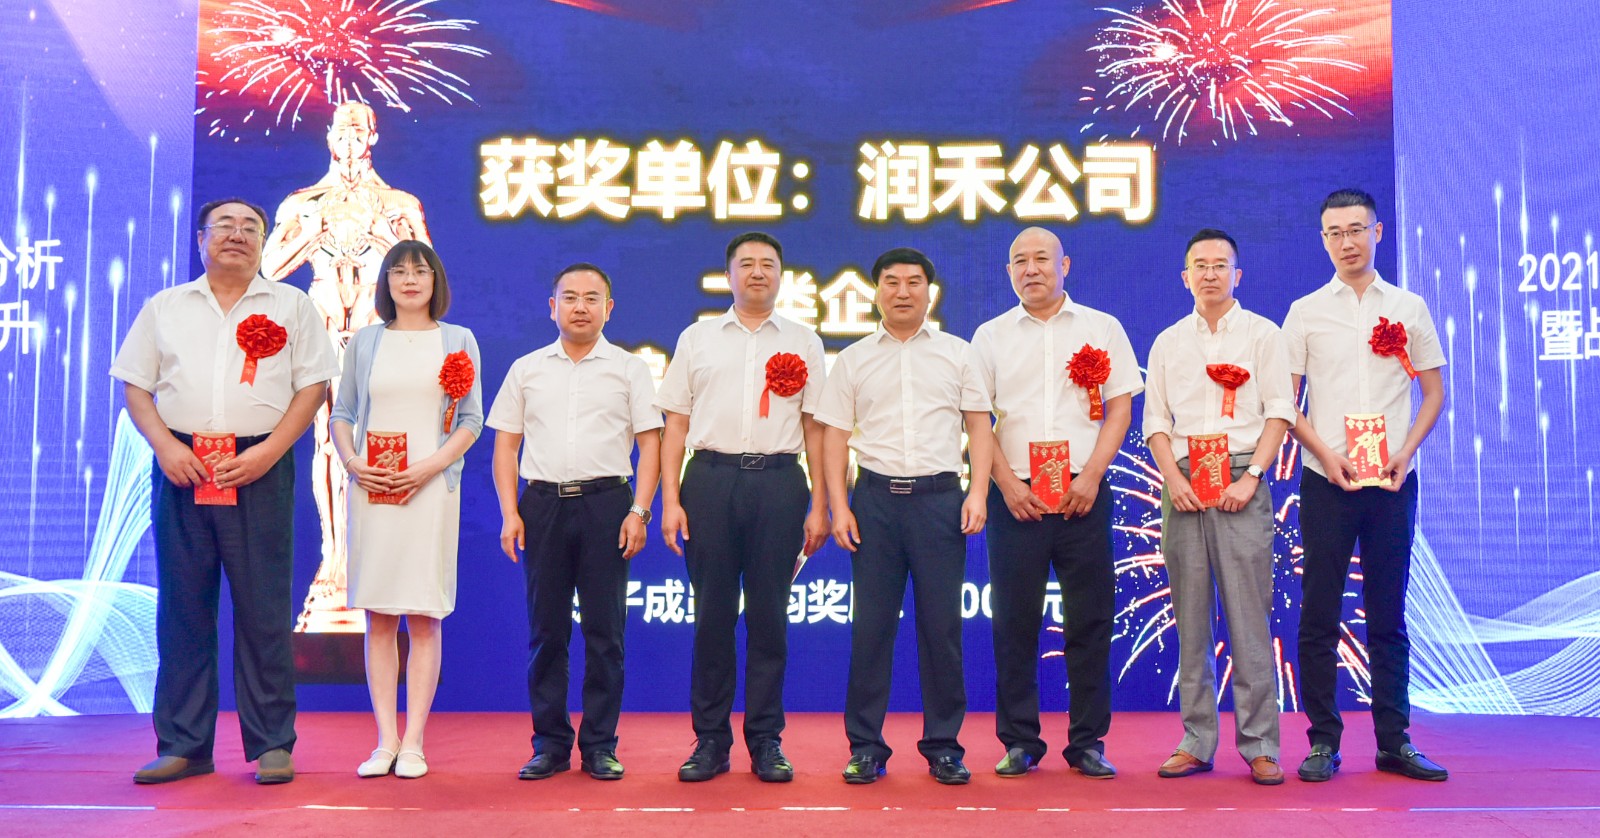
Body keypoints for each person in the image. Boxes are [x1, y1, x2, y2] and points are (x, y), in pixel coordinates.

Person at [112, 197, 337, 784]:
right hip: (183, 466)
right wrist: (165, 447)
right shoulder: (165, 307)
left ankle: (271, 743)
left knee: (264, 609)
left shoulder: (292, 305)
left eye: (250, 227)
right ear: (201, 239)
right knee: (183, 608)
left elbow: (313, 388)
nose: (237, 235)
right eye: (225, 226)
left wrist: (269, 452)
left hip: (259, 464)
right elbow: (135, 386)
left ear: (264, 241)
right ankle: (184, 745)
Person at [1284, 188, 1449, 783]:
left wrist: (1406, 451)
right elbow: (1284, 402)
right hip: (1327, 481)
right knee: (1319, 614)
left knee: (1388, 614)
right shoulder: (1305, 312)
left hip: (1393, 481)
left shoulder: (1408, 306)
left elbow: (1434, 392)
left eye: (1357, 229)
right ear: (1323, 240)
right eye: (1335, 232)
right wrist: (1325, 454)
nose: (1347, 242)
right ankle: (1322, 742)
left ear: (1377, 232)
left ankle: (1393, 741)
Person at [816, 247, 994, 786]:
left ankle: (944, 747)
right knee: (871, 629)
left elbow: (979, 427)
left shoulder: (958, 354)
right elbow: (834, 437)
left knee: (941, 630)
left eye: (913, 282)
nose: (902, 291)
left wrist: (977, 492)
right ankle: (866, 747)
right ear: (876, 292)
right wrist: (840, 506)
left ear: (929, 292)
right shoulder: (852, 360)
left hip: (940, 501)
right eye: (891, 282)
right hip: (874, 504)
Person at [656, 232, 829, 783]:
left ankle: (765, 741)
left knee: (769, 616)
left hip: (780, 484)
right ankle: (710, 740)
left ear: (781, 275)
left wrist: (820, 503)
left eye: (768, 264)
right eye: (746, 264)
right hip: (709, 481)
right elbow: (675, 425)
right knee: (712, 615)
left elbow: (816, 429)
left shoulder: (804, 340)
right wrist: (670, 500)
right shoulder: (698, 338)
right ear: (729, 274)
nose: (757, 272)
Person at [970, 226, 1143, 779]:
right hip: (1015, 495)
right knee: (1014, 622)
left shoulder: (1102, 328)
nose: (1031, 269)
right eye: (1019, 261)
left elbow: (1120, 409)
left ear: (1064, 265)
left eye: (1042, 258)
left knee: (1090, 619)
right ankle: (1020, 741)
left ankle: (1088, 741)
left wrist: (1092, 476)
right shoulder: (990, 336)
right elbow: (976, 420)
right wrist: (1006, 485)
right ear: (1008, 272)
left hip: (1082, 493)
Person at [262, 100, 432, 634]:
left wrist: (384, 234)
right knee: (328, 445)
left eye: (359, 130)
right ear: (329, 137)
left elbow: (426, 271)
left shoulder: (399, 202)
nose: (350, 139)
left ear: (373, 136)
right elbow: (269, 269)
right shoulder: (303, 203)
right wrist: (312, 232)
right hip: (323, 335)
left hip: (378, 335)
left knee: (380, 444)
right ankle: (333, 561)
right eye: (342, 130)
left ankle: (371, 558)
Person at [488, 263, 662, 782]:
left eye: (592, 298)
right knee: (546, 630)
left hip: (608, 504)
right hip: (542, 505)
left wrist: (639, 511)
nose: (580, 307)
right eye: (570, 297)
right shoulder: (527, 369)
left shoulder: (630, 369)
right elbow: (506, 447)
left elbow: (649, 444)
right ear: (552, 307)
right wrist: (510, 512)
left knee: (606, 632)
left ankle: (601, 745)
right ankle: (549, 744)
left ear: (609, 308)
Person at [1142, 229, 1294, 785]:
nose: (1210, 273)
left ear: (1238, 274)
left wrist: (1253, 477)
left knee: (1250, 619)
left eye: (1220, 264)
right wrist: (1172, 478)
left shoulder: (1263, 335)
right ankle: (1196, 740)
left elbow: (1280, 411)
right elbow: (1155, 422)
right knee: (1191, 621)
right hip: (1183, 483)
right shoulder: (1167, 342)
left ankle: (1261, 745)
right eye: (1200, 265)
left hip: (1240, 478)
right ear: (1185, 277)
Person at [328, 240, 483, 779]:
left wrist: (429, 468)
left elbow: (470, 420)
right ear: (386, 282)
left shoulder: (458, 339)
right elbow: (343, 413)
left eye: (420, 271)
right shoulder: (366, 341)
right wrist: (353, 463)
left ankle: (414, 741)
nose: (410, 280)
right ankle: (384, 741)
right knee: (379, 615)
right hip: (374, 487)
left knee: (423, 613)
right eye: (399, 271)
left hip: (431, 489)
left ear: (436, 280)